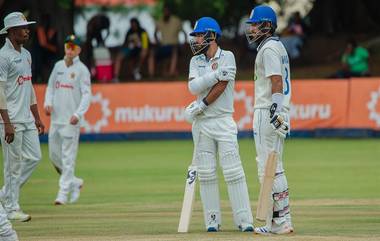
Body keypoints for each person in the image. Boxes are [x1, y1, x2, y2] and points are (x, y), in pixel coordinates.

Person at [184, 17, 254, 232]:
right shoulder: (195, 61)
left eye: (198, 35)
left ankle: (244, 220)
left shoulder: (228, 57)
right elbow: (194, 87)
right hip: (202, 124)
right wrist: (215, 75)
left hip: (223, 121)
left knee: (233, 171)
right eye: (194, 36)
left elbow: (222, 86)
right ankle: (212, 220)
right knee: (206, 173)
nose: (195, 39)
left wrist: (202, 105)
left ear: (211, 36)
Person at [245, 5, 294, 234]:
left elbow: (276, 81)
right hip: (275, 109)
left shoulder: (269, 49)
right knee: (275, 166)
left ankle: (280, 222)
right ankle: (280, 220)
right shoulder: (276, 46)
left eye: (255, 24)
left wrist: (274, 110)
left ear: (266, 25)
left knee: (269, 167)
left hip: (268, 110)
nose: (251, 28)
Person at [0, 12, 44, 224]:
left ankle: (4, 196)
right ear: (11, 31)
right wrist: (6, 123)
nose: (27, 30)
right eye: (23, 27)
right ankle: (11, 208)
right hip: (11, 120)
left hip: (26, 118)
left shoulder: (26, 54)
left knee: (35, 157)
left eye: (27, 26)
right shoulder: (3, 57)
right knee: (12, 165)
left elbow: (29, 87)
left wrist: (37, 117)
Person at [44, 34, 92, 205]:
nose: (70, 49)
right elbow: (50, 87)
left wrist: (78, 114)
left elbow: (87, 95)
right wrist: (47, 103)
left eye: (74, 46)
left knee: (68, 158)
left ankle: (62, 194)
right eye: (68, 46)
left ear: (79, 49)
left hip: (71, 121)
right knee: (53, 156)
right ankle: (75, 182)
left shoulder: (82, 70)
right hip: (56, 119)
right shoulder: (58, 66)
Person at [148, 5, 182, 77]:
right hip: (163, 46)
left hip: (174, 45)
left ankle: (171, 73)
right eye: (164, 11)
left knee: (174, 51)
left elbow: (183, 32)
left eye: (167, 11)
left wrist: (184, 43)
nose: (166, 13)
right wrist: (157, 42)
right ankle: (151, 74)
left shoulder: (176, 20)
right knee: (152, 53)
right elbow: (155, 33)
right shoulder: (160, 20)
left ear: (170, 12)